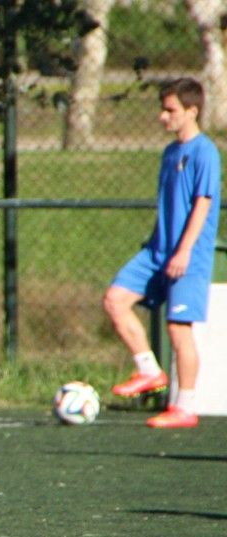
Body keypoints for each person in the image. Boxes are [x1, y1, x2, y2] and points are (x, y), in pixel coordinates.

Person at [103, 77, 221, 429]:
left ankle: (185, 406)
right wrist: (157, 240)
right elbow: (168, 205)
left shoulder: (205, 152)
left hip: (188, 257)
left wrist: (184, 251)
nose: (162, 116)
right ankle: (150, 372)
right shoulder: (170, 153)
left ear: (192, 111)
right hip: (158, 252)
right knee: (115, 300)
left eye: (170, 110)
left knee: (178, 331)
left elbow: (203, 204)